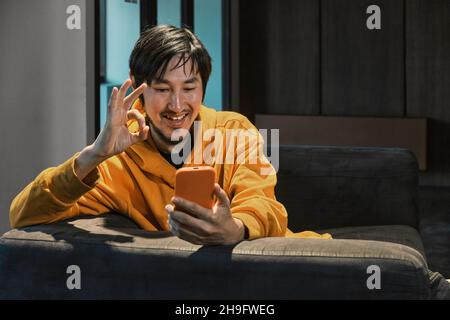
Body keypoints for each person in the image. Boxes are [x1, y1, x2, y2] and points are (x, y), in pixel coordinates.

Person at [9, 24, 331, 245]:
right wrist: (95, 153)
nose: (177, 105)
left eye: (189, 88)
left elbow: (264, 204)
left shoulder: (234, 130)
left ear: (204, 86)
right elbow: (23, 213)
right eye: (162, 89)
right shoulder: (117, 159)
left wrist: (234, 229)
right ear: (137, 88)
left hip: (273, 268)